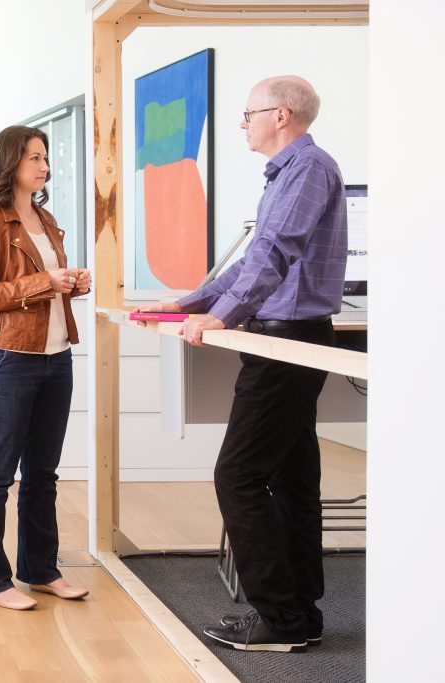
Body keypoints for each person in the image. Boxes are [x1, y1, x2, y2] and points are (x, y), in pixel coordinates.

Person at [133, 76, 347, 652]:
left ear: (280, 115)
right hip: (286, 335)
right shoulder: (289, 173)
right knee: (292, 477)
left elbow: (274, 255)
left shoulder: (305, 169)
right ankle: (300, 612)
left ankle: (277, 617)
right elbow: (255, 255)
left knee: (239, 474)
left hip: (287, 342)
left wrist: (223, 316)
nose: (243, 123)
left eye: (248, 113)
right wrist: (188, 302)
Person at [0, 125, 92, 610]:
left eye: (46, 157)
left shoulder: (45, 218)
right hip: (5, 360)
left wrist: (71, 283)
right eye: (34, 157)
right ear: (9, 163)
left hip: (55, 357)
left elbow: (43, 285)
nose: (44, 166)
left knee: (43, 473)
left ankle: (40, 569)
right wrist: (42, 282)